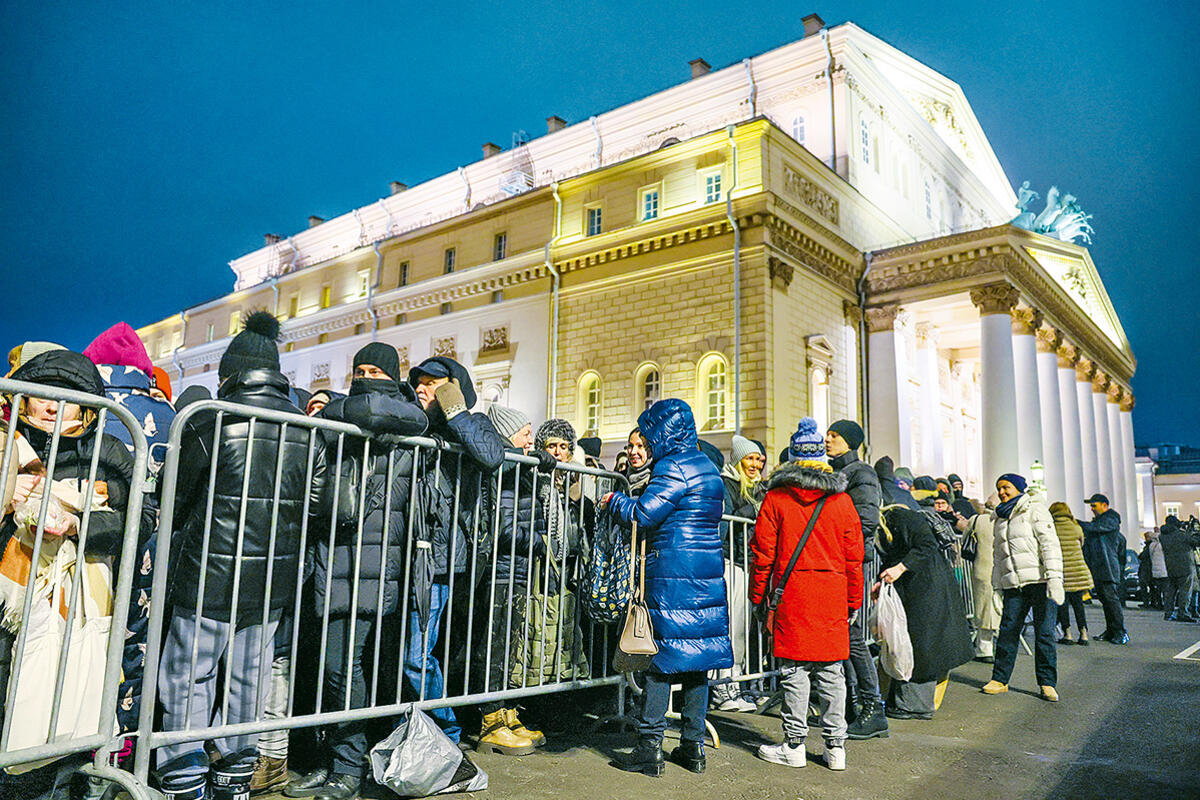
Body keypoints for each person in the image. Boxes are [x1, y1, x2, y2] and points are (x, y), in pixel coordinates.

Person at [155, 312, 327, 800]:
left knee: (189, 676)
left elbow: (179, 494)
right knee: (249, 679)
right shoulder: (304, 429)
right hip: (271, 581)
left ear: (229, 372)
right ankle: (234, 778)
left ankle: (184, 779)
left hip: (208, 575)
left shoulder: (212, 418)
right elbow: (314, 505)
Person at [286, 343, 428, 800]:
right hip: (333, 559)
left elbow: (380, 409)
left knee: (346, 670)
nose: (365, 378)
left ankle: (348, 767)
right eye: (359, 370)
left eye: (375, 371)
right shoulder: (341, 423)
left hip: (373, 566)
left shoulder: (402, 422)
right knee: (329, 670)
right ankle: (332, 763)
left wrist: (337, 406)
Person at [1, 350, 136, 800]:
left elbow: (141, 519)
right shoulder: (5, 441)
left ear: (88, 406)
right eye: (44, 394)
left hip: (81, 613)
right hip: (11, 606)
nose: (54, 405)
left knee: (68, 726)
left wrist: (80, 523)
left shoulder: (111, 451)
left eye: (70, 396)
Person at [605, 399, 732, 777]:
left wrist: (614, 501)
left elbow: (644, 512)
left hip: (673, 573)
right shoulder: (706, 465)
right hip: (706, 572)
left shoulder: (672, 467)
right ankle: (693, 748)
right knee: (698, 662)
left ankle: (649, 747)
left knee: (659, 661)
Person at [402, 357, 506, 744]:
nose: (423, 388)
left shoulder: (470, 422)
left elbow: (492, 455)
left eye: (435, 383)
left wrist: (455, 409)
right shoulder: (410, 417)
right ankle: (412, 729)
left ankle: (446, 729)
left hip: (440, 560)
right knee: (399, 655)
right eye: (420, 382)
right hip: (400, 555)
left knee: (416, 656)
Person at [750, 417, 862, 772]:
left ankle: (794, 745)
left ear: (794, 459)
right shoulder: (842, 501)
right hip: (831, 594)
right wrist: (854, 600)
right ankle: (836, 747)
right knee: (832, 672)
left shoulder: (776, 498)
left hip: (792, 594)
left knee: (794, 671)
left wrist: (757, 597)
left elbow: (762, 554)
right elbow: (854, 557)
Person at [83, 322, 178, 735]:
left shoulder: (86, 407)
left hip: (92, 543)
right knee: (135, 641)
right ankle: (122, 743)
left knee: (86, 640)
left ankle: (80, 741)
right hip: (152, 546)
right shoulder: (170, 414)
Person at [470, 403, 548, 755]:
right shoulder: (503, 467)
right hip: (500, 571)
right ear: (509, 434)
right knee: (495, 648)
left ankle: (506, 712)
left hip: (516, 570)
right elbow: (502, 527)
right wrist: (540, 543)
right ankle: (490, 721)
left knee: (508, 646)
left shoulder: (521, 468)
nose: (531, 439)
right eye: (526, 432)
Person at [874, 503, 974, 720]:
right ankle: (910, 702)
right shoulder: (893, 521)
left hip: (927, 590)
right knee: (917, 645)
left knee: (920, 647)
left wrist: (900, 568)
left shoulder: (898, 517)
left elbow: (925, 545)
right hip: (925, 588)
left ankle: (915, 704)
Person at [824, 420, 887, 741]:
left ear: (849, 441)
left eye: (834, 436)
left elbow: (864, 522)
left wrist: (837, 548)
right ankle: (854, 704)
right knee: (843, 636)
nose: (827, 440)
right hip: (838, 563)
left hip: (852, 564)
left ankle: (873, 708)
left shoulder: (861, 474)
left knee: (853, 635)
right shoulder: (838, 473)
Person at [982, 475, 1064, 702]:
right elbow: (998, 556)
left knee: (1044, 633)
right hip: (1013, 584)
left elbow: (1050, 545)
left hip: (1040, 581)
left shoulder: (1035, 510)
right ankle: (1000, 679)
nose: (1001, 492)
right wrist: (997, 585)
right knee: (1008, 631)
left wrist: (1055, 579)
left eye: (1006, 487)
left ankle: (1047, 683)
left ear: (1018, 489)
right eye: (999, 488)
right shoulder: (999, 517)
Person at [712, 434, 765, 713]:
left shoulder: (758, 490)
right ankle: (723, 688)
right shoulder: (726, 485)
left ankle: (739, 683)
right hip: (731, 563)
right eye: (750, 458)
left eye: (759, 459)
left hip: (749, 565)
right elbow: (722, 528)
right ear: (738, 460)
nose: (755, 464)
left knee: (743, 631)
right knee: (731, 629)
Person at [1078, 494, 1127, 644]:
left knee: (1111, 601)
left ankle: (1120, 632)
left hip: (1107, 567)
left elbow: (1096, 528)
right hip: (1099, 567)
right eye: (1091, 506)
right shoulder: (1099, 522)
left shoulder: (1110, 519)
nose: (1092, 509)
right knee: (1106, 601)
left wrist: (1076, 522)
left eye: (1095, 505)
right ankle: (1111, 631)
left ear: (1105, 505)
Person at [961, 494, 1000, 661]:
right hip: (1003, 569)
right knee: (997, 607)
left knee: (983, 608)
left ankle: (985, 648)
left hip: (981, 569)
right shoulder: (1005, 520)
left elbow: (964, 540)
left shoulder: (976, 520)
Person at [1049, 502, 1093, 645]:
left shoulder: (1052, 528)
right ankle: (1083, 634)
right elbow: (1082, 544)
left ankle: (1067, 634)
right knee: (1078, 604)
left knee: (1062, 604)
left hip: (1061, 570)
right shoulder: (1076, 528)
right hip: (1077, 570)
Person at [1158, 516, 1199, 622]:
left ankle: (1168, 613)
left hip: (1170, 567)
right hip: (1185, 567)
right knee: (1185, 592)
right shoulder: (1181, 535)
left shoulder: (1163, 536)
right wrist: (1194, 531)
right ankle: (1183, 613)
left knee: (1171, 592)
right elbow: (1196, 541)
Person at [616, 427, 654, 498]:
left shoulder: (655, 481)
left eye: (640, 446)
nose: (633, 452)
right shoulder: (618, 479)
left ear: (650, 451)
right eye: (630, 446)